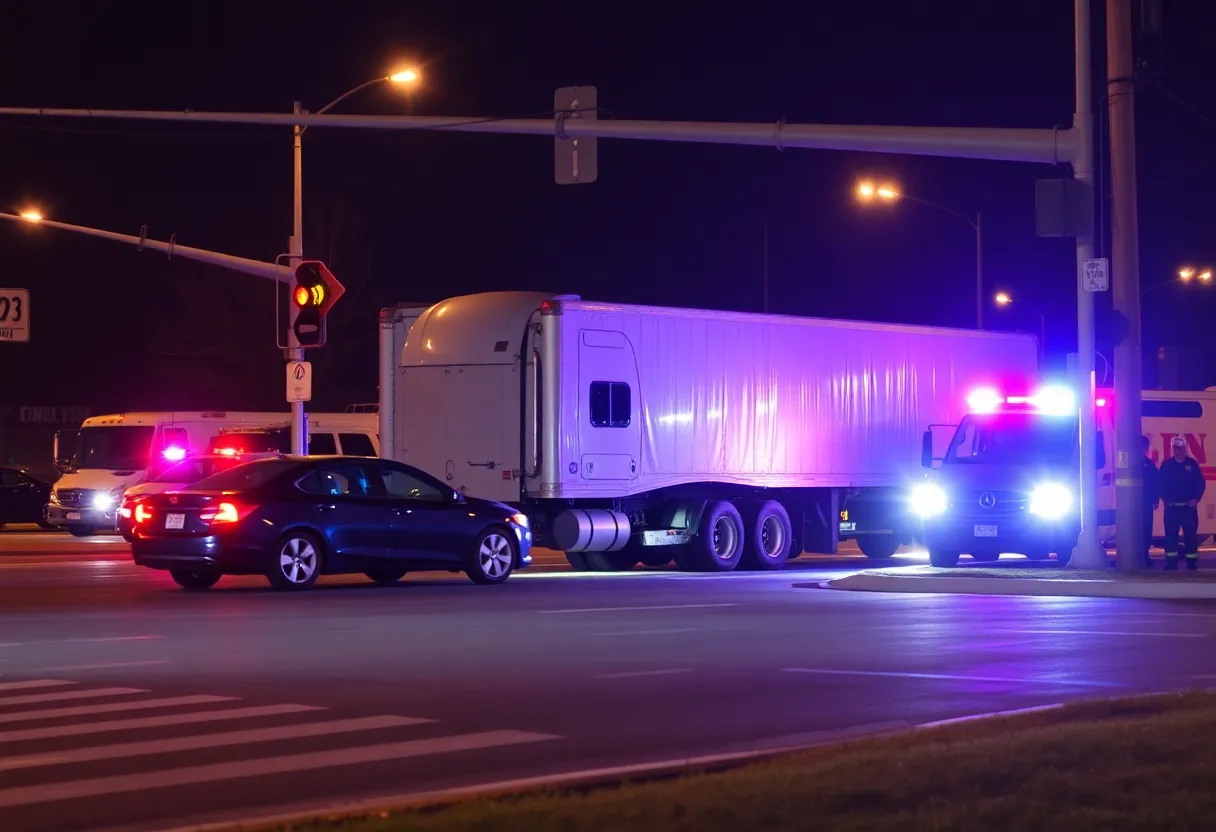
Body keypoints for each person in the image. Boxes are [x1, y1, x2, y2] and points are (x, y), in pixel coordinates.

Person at [1158, 436, 1205, 571]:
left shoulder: (1192, 464)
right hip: (1172, 508)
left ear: (1184, 448)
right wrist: (1165, 499)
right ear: (1173, 449)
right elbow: (1160, 484)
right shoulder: (1167, 465)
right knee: (1171, 536)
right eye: (1175, 448)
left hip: (1188, 509)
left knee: (1190, 535)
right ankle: (1171, 563)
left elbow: (1200, 483)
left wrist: (1196, 498)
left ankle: (1191, 562)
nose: (1178, 451)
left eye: (1180, 448)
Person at [1142, 435, 1159, 568]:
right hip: (1134, 505)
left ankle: (1145, 554)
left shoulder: (1150, 464)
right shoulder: (1130, 464)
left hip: (1146, 503)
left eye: (1145, 447)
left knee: (1147, 529)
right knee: (1134, 529)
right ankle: (1135, 555)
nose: (1144, 450)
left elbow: (1155, 483)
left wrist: (1155, 499)